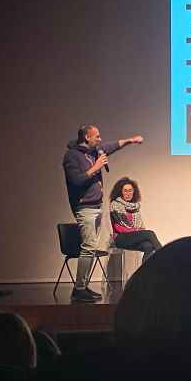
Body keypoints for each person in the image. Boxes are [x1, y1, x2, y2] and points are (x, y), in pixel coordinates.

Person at [62, 124, 143, 303]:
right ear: (86, 138)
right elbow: (76, 180)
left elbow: (112, 146)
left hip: (96, 206)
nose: (100, 140)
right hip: (84, 208)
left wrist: (130, 140)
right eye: (96, 136)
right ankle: (79, 289)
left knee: (91, 248)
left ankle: (84, 286)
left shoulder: (94, 151)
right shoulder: (71, 157)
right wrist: (96, 167)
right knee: (89, 246)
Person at [109, 177, 163, 264]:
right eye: (125, 191)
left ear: (134, 192)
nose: (128, 193)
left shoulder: (135, 207)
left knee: (148, 246)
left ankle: (144, 273)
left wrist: (138, 231)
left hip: (133, 237)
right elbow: (119, 228)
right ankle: (165, 256)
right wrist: (137, 231)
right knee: (150, 233)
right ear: (120, 192)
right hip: (121, 238)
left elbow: (141, 226)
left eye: (130, 190)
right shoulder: (115, 205)